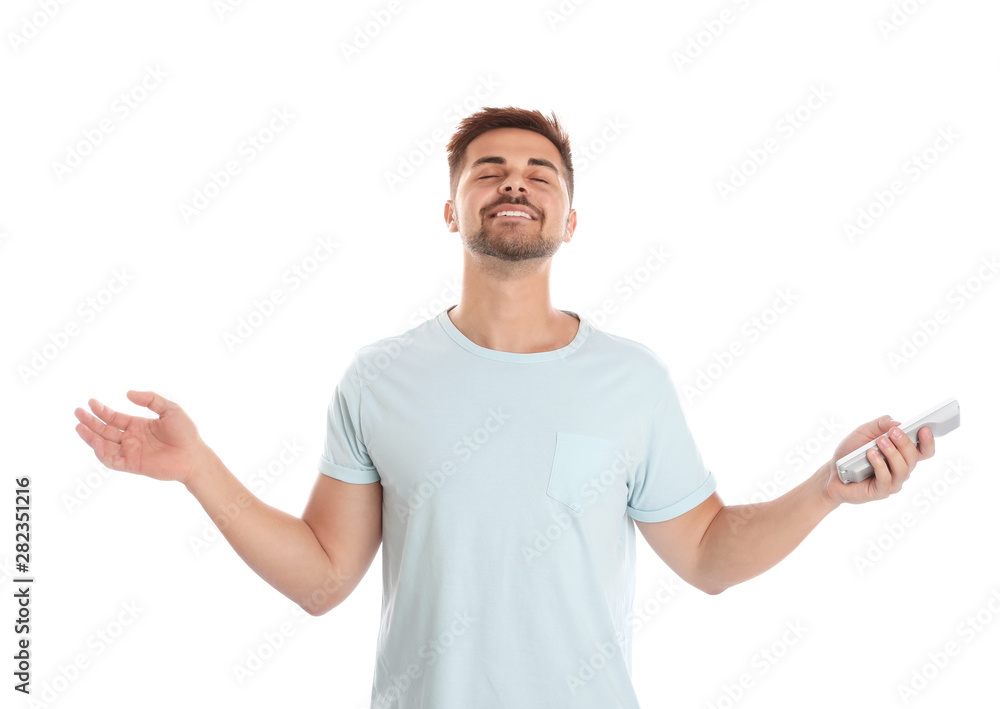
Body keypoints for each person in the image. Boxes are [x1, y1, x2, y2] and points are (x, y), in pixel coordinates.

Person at [74, 106, 936, 708]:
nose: (513, 184)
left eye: (538, 174)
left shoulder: (632, 381)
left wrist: (827, 488)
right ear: (452, 211)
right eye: (489, 172)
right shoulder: (378, 379)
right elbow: (323, 579)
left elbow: (708, 555)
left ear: (570, 219)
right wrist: (198, 468)